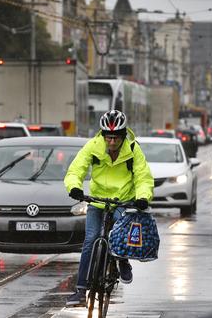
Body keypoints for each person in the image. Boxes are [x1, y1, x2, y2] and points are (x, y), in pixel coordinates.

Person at [64, 110, 154, 307]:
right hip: (97, 201)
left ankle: (122, 261)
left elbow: (143, 176)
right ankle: (80, 290)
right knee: (90, 240)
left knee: (120, 236)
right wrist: (74, 187)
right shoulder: (93, 146)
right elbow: (76, 169)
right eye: (108, 137)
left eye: (116, 138)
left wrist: (142, 197)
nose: (112, 142)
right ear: (103, 135)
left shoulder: (133, 149)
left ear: (123, 136)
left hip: (123, 201)